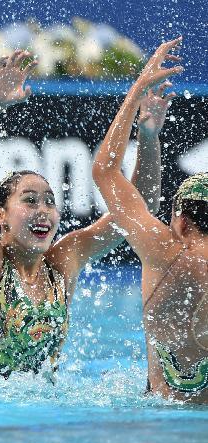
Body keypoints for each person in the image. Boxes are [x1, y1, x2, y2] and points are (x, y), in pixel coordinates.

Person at [0, 50, 164, 383]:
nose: (43, 211)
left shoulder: (63, 261)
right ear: (0, 215)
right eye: (30, 200)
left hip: (45, 418)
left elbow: (141, 212)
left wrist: (150, 138)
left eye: (50, 201)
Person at [92, 38, 207, 403]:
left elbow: (105, 171)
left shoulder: (162, 251)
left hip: (160, 416)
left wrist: (137, 89)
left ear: (182, 221)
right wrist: (150, 138)